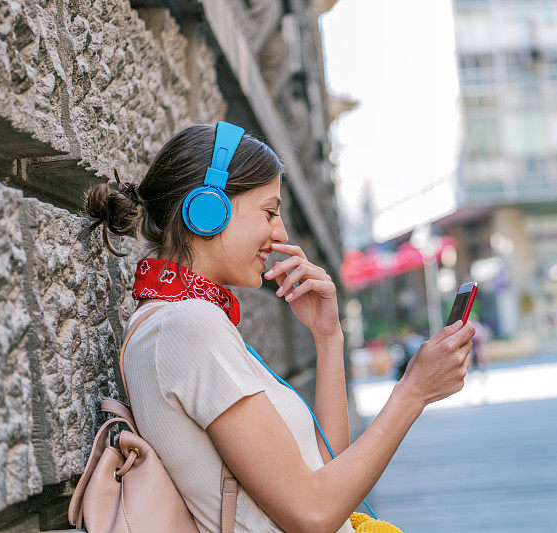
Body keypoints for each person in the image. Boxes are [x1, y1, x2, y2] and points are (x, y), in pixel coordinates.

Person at [83, 123, 475, 533]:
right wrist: (413, 391)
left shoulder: (180, 317)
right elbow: (314, 513)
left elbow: (327, 472)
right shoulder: (185, 325)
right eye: (269, 212)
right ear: (206, 210)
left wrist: (327, 337)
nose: (281, 233)